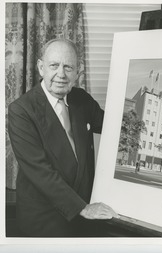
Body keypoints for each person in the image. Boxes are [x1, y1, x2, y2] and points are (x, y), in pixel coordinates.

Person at [8, 38, 119, 237]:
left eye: (68, 67)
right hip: (45, 220)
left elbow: (115, 130)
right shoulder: (21, 110)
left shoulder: (82, 99)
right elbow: (41, 173)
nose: (61, 74)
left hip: (84, 217)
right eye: (54, 65)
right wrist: (83, 208)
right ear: (41, 68)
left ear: (78, 73)